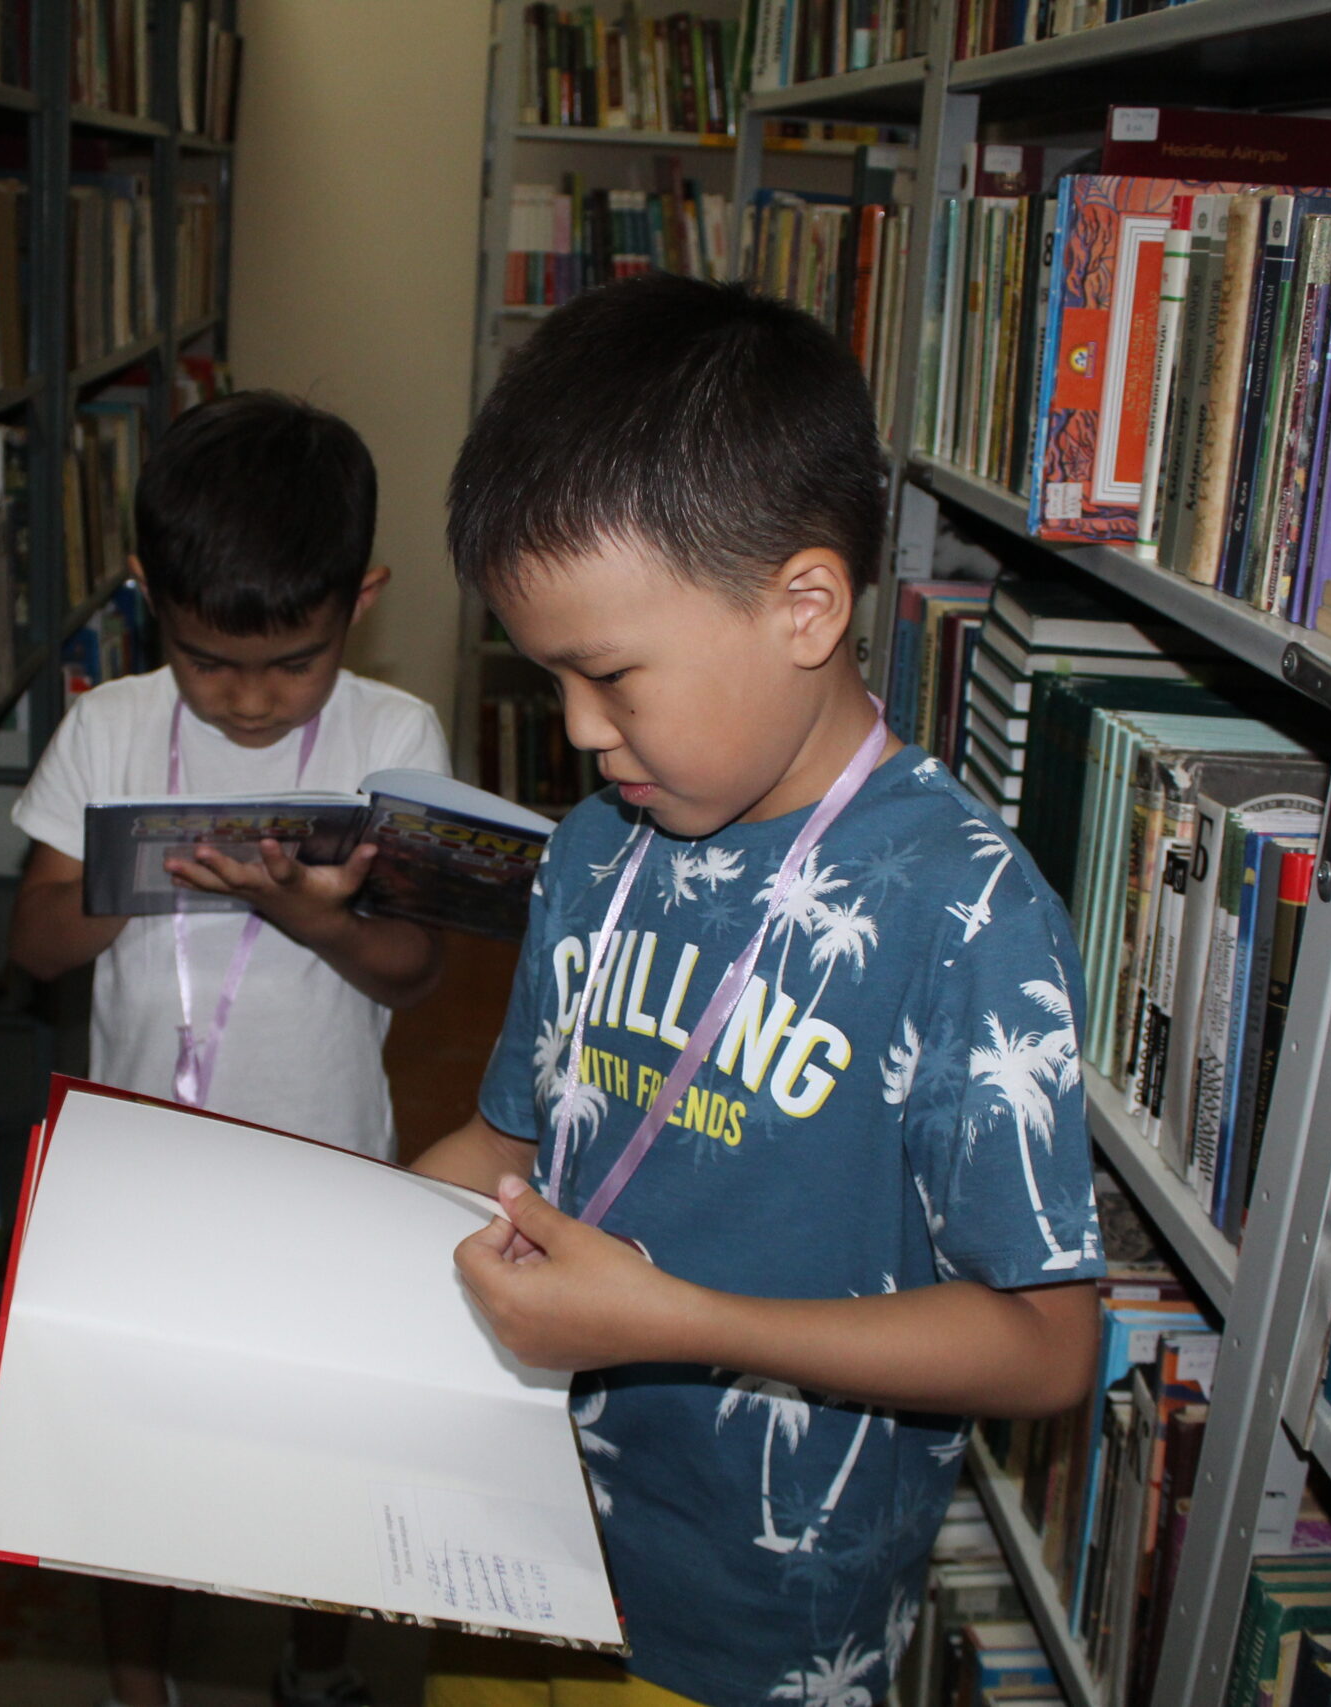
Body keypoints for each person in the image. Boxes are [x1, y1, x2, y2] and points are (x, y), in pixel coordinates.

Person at [410, 274, 1106, 1707]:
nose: (579, 731)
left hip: (753, 1636)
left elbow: (1047, 1347)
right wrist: (318, 1247)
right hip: (499, 1536)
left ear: (805, 606)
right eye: (550, 679)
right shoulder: (597, 846)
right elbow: (504, 1143)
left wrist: (682, 1322)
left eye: (611, 677)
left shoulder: (963, 909)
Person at [9, 389, 450, 1707]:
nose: (251, 699)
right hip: (139, 1176)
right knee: (133, 1455)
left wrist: (313, 919)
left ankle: (313, 1662)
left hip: (326, 1161)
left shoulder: (395, 738)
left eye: (294, 663)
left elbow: (415, 966)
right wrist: (150, 874)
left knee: (319, 1447)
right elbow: (35, 943)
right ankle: (137, 1683)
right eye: (207, 662)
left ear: (362, 600)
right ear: (148, 595)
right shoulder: (108, 727)